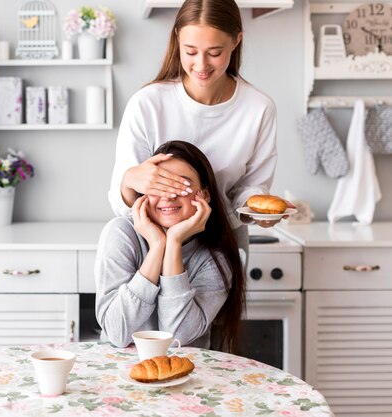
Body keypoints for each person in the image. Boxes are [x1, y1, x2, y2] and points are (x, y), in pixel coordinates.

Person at [109, 0, 287, 257]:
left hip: (221, 245)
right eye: (190, 51)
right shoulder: (147, 103)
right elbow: (121, 204)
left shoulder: (259, 108)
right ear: (177, 39)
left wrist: (257, 210)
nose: (201, 65)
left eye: (214, 52)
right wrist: (129, 182)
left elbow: (251, 188)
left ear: (236, 41)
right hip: (151, 245)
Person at [96, 140, 245, 352]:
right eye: (159, 184)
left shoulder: (214, 258)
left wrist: (173, 244)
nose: (169, 195)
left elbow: (177, 338)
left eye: (181, 185)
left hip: (188, 374)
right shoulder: (121, 234)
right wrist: (157, 247)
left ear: (205, 194)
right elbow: (117, 333)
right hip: (120, 372)